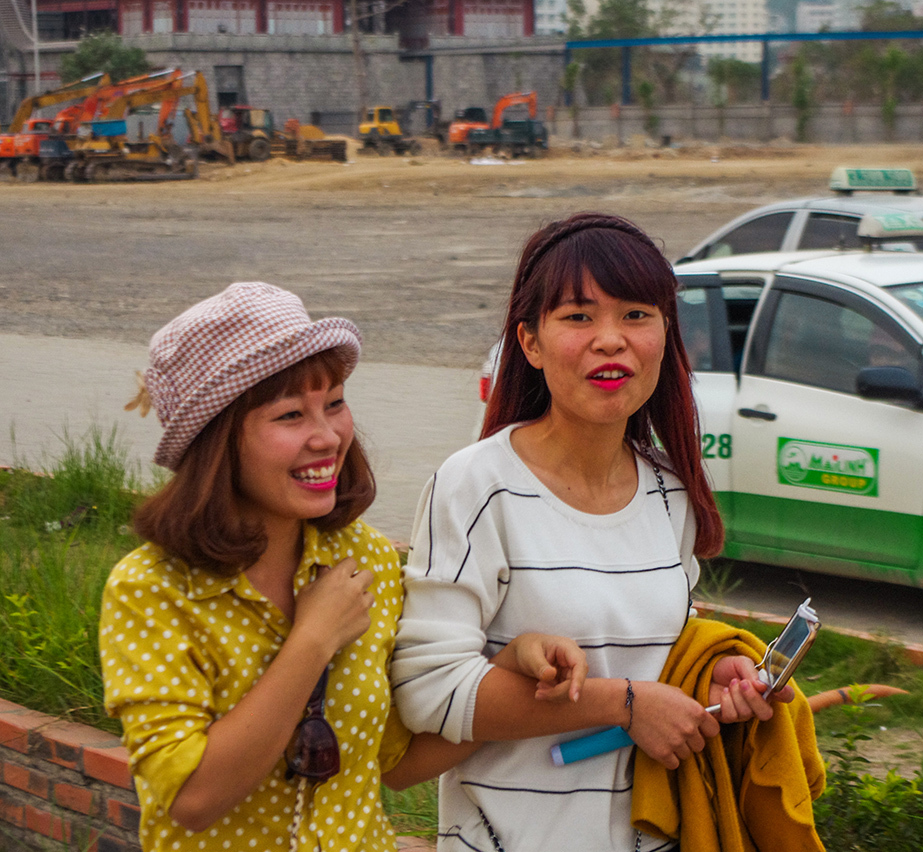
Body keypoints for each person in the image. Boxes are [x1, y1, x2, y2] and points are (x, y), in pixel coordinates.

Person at [99, 282, 587, 852]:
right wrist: (313, 640)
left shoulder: (367, 560)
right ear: (218, 442)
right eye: (289, 415)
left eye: (334, 403)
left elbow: (398, 762)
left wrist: (507, 668)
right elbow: (192, 799)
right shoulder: (151, 588)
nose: (327, 437)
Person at [390, 213, 790, 852]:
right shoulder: (474, 485)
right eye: (579, 317)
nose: (612, 340)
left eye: (637, 315)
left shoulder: (669, 490)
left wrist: (706, 681)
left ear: (666, 333)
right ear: (530, 343)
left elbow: (654, 654)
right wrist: (624, 704)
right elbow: (428, 692)